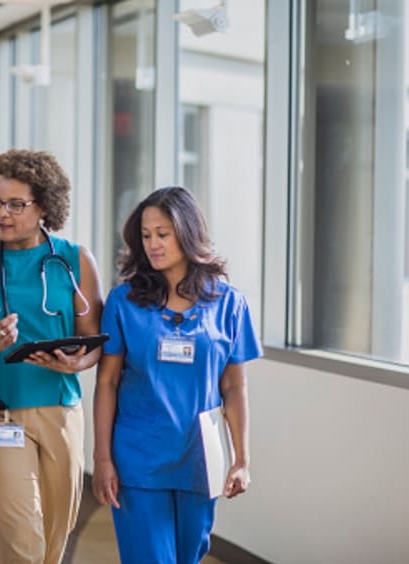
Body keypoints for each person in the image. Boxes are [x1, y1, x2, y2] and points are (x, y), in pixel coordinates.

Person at [92, 186, 262, 564]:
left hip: (201, 460)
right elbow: (107, 382)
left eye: (162, 234)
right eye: (146, 235)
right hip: (138, 458)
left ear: (187, 233)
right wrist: (101, 457)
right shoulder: (124, 302)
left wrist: (242, 459)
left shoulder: (229, 304)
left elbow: (234, 386)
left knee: (189, 557)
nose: (152, 244)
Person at [0, 149, 104, 564]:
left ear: (44, 207)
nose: (2, 213)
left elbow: (94, 340)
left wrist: (77, 362)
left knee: (57, 533)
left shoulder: (75, 260)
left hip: (60, 406)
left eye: (16, 204)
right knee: (19, 540)